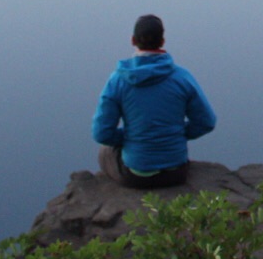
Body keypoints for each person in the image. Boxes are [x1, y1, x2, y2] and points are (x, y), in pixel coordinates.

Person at [91, 13, 217, 188]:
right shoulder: (182, 77)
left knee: (105, 151)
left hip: (136, 176)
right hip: (176, 173)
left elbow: (101, 134)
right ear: (162, 41)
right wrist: (176, 134)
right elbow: (207, 122)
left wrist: (130, 137)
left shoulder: (117, 81)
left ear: (133, 40)